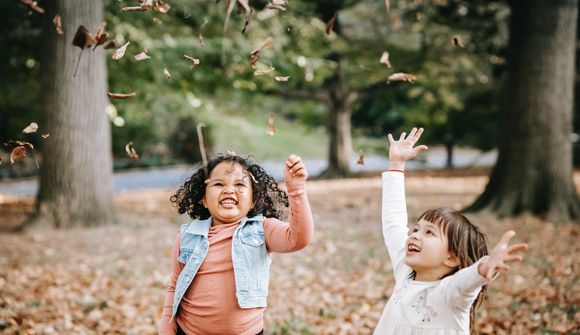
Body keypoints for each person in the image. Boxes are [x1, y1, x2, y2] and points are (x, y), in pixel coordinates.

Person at [374, 127, 528, 335]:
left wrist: (485, 266)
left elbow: (468, 280)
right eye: (417, 229)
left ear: (452, 257)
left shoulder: (450, 295)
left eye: (429, 233)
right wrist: (396, 164)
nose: (415, 235)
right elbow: (394, 220)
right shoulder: (405, 272)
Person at [159, 152, 314, 335]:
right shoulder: (187, 235)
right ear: (203, 198)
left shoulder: (261, 229)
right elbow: (174, 287)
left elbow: (298, 239)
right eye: (218, 184)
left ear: (253, 200)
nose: (229, 190)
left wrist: (297, 191)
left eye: (240, 184)